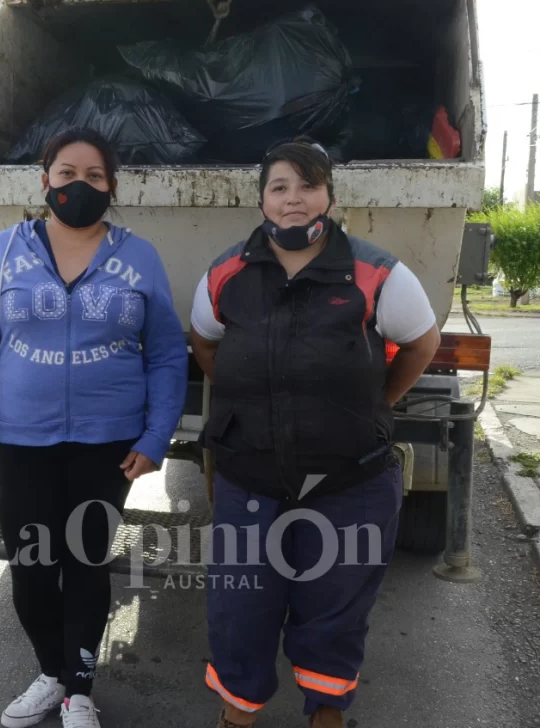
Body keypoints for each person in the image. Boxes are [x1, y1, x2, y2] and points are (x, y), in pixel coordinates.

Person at [190, 137, 441, 728]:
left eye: (308, 186)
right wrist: (248, 400)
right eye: (280, 187)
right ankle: (236, 718)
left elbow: (423, 343)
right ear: (262, 202)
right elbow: (205, 342)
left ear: (329, 195)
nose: (294, 199)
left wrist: (378, 402)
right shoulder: (228, 274)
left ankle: (326, 719)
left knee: (334, 615)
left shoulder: (377, 273)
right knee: (240, 609)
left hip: (349, 485)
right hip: (250, 480)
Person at [0, 128, 188, 728]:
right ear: (44, 179)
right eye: (67, 173)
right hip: (24, 442)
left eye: (95, 176)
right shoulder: (3, 254)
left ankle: (80, 689)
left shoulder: (139, 257)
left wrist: (157, 437)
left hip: (108, 445)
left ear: (112, 186)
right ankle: (51, 673)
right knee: (31, 567)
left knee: (84, 562)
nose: (80, 185)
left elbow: (165, 354)